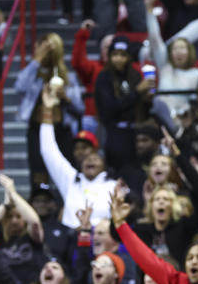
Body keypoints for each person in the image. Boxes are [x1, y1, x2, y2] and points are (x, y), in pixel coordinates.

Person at [40, 85, 117, 228]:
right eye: (87, 159)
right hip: (72, 242)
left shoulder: (114, 186)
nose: (89, 158)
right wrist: (47, 110)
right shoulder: (71, 180)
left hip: (101, 241)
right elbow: (48, 151)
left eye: (94, 157)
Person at [16, 33, 85, 187]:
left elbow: (80, 109)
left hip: (61, 130)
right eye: (43, 47)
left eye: (50, 48)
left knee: (67, 172)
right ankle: (40, 205)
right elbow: (19, 87)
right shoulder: (33, 74)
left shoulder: (68, 77)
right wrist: (36, 60)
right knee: (38, 176)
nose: (47, 52)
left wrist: (66, 98)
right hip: (37, 130)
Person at [95, 36, 155, 172]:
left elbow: (142, 109)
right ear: (109, 56)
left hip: (136, 132)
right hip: (114, 132)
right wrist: (137, 92)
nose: (118, 59)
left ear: (129, 57)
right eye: (115, 55)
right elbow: (110, 108)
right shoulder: (104, 78)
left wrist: (147, 99)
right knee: (120, 172)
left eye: (123, 55)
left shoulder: (135, 76)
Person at [144, 0, 198, 119]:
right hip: (161, 120)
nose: (179, 52)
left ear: (190, 52)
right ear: (170, 53)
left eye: (182, 48)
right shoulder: (165, 68)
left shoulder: (197, 74)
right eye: (175, 48)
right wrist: (149, 9)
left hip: (185, 123)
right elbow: (155, 39)